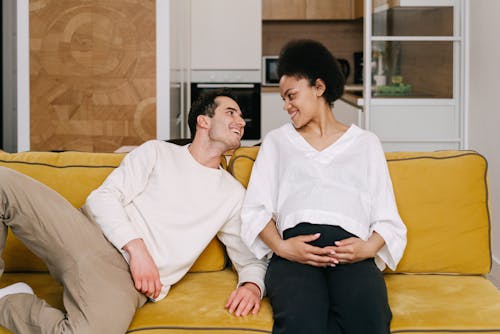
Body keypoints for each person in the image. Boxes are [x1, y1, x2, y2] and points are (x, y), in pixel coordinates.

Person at [0, 89, 267, 333]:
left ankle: (11, 301)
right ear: (203, 121)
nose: (241, 122)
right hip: (87, 237)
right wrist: (137, 249)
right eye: (231, 113)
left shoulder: (232, 194)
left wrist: (252, 286)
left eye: (242, 117)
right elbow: (102, 198)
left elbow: (250, 257)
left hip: (125, 284)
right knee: (3, 182)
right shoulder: (158, 152)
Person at [240, 39, 407, 334]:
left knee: (371, 319)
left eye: (291, 96)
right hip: (295, 252)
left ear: (319, 87)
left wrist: (367, 248)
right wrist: (282, 247)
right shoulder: (277, 142)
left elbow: (387, 216)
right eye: (283, 99)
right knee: (302, 322)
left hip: (351, 254)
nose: (286, 106)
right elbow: (255, 209)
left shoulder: (366, 144)